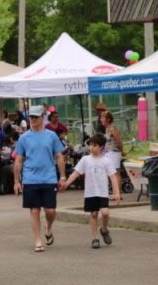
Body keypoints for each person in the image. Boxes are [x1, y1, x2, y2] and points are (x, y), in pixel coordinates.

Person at [13, 104, 66, 253]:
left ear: (43, 118)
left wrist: (62, 177)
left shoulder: (51, 135)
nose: (33, 120)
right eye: (31, 117)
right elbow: (18, 160)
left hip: (49, 178)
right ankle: (37, 240)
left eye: (36, 117)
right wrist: (17, 181)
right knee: (34, 210)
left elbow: (59, 156)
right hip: (30, 178)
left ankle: (48, 227)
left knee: (50, 211)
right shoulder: (24, 138)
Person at [60, 133, 120, 249]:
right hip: (90, 192)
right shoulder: (85, 159)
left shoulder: (106, 161)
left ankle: (104, 229)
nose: (91, 147)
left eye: (94, 145)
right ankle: (95, 238)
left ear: (101, 147)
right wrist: (66, 183)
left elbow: (113, 177)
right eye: (90, 145)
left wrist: (117, 192)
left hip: (102, 192)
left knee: (105, 213)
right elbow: (76, 173)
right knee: (93, 214)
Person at [100, 110, 123, 193]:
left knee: (115, 172)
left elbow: (119, 141)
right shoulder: (107, 129)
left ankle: (118, 193)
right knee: (111, 173)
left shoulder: (113, 128)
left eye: (103, 117)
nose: (101, 119)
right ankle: (115, 192)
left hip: (114, 152)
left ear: (108, 119)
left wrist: (122, 151)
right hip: (109, 153)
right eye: (101, 117)